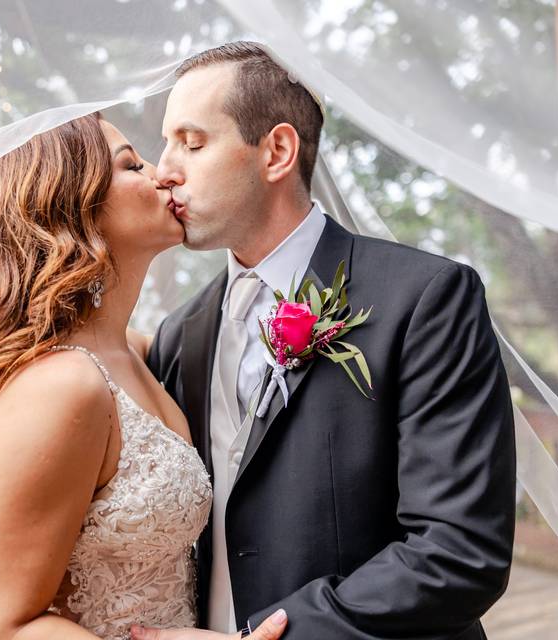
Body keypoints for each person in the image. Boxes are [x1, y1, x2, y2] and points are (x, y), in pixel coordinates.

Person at [134, 42, 516, 639]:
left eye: (192, 142)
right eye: (164, 144)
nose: (164, 171)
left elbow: (458, 552)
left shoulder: (427, 299)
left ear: (277, 152)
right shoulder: (179, 333)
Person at [0, 113, 289, 640]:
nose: (163, 173)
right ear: (73, 206)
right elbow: (0, 627)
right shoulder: (61, 385)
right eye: (131, 164)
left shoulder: (144, 353)